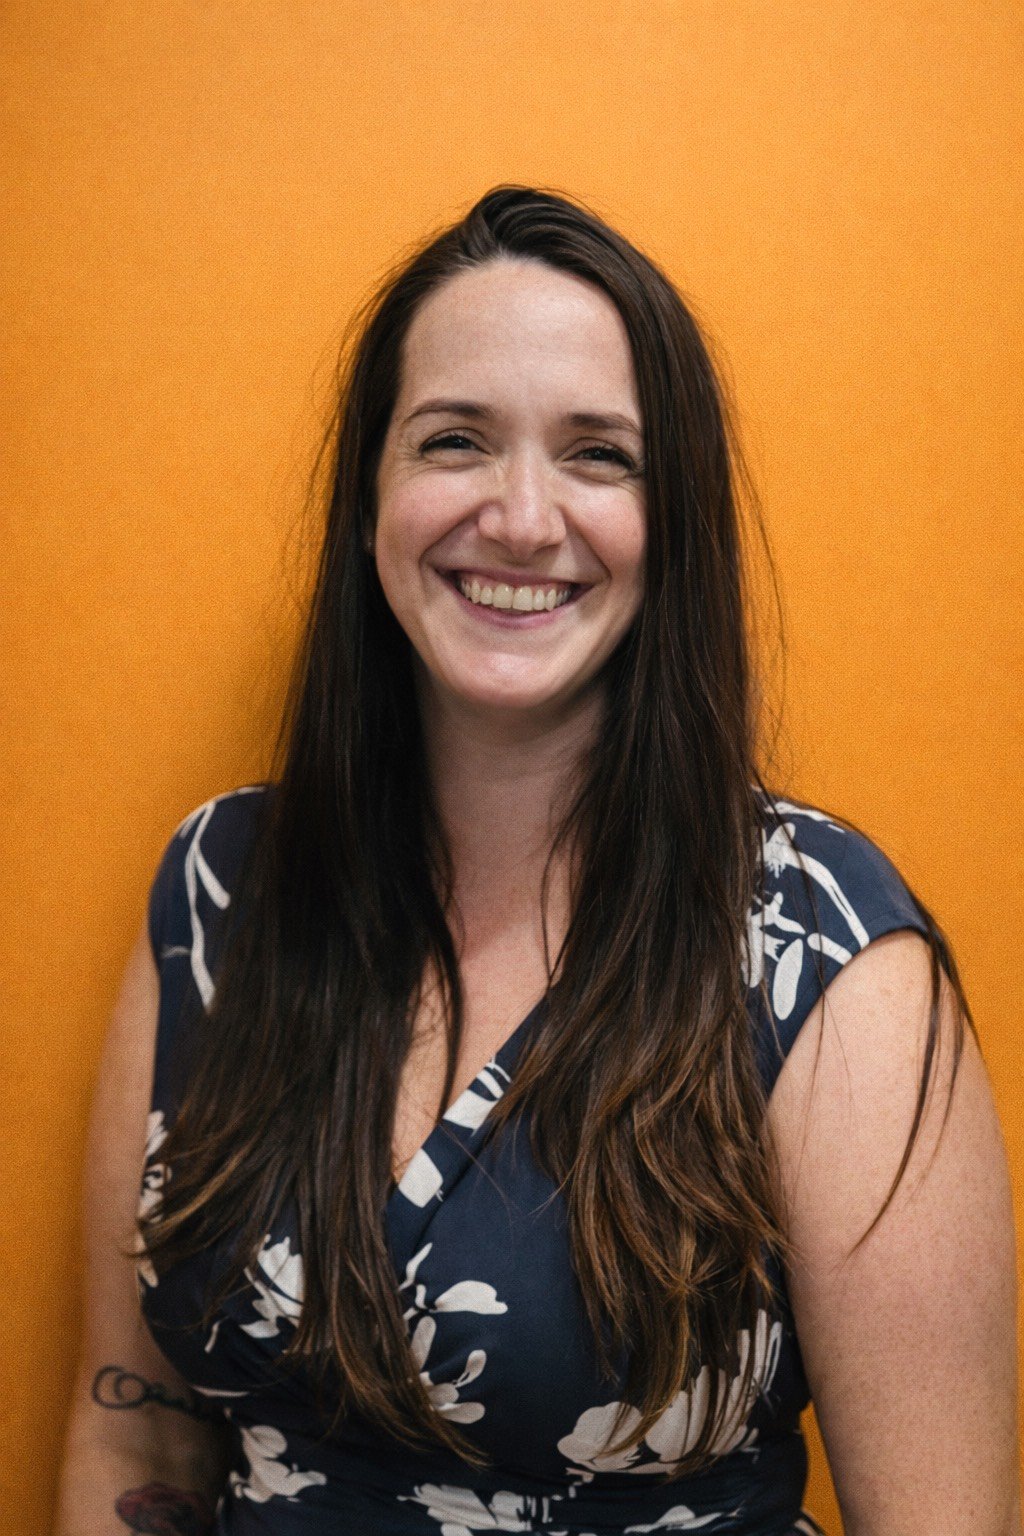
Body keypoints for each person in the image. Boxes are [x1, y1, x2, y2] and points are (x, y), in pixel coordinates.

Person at [54, 186, 1019, 1536]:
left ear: (670, 522)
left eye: (598, 456)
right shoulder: (222, 892)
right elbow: (130, 1429)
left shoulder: (829, 961)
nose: (519, 517)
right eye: (455, 440)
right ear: (372, 495)